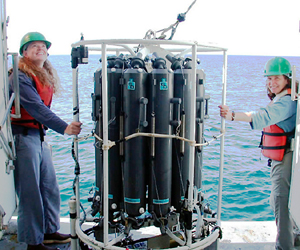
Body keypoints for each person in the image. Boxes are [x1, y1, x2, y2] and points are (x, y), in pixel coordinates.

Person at [9, 32, 82, 250]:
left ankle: (50, 231)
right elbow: (35, 107)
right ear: (24, 52)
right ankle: (33, 242)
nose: (40, 48)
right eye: (34, 46)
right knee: (30, 193)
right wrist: (64, 127)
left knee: (50, 188)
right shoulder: (20, 76)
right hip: (22, 137)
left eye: (42, 46)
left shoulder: (40, 74)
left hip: (38, 137)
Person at [219, 57, 298, 249]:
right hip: (285, 156)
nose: (272, 83)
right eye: (269, 78)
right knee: (279, 202)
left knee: (281, 204)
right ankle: (293, 237)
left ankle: (284, 246)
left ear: (287, 78)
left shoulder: (286, 102)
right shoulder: (286, 98)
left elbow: (262, 117)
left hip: (285, 158)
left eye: (276, 78)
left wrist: (231, 116)